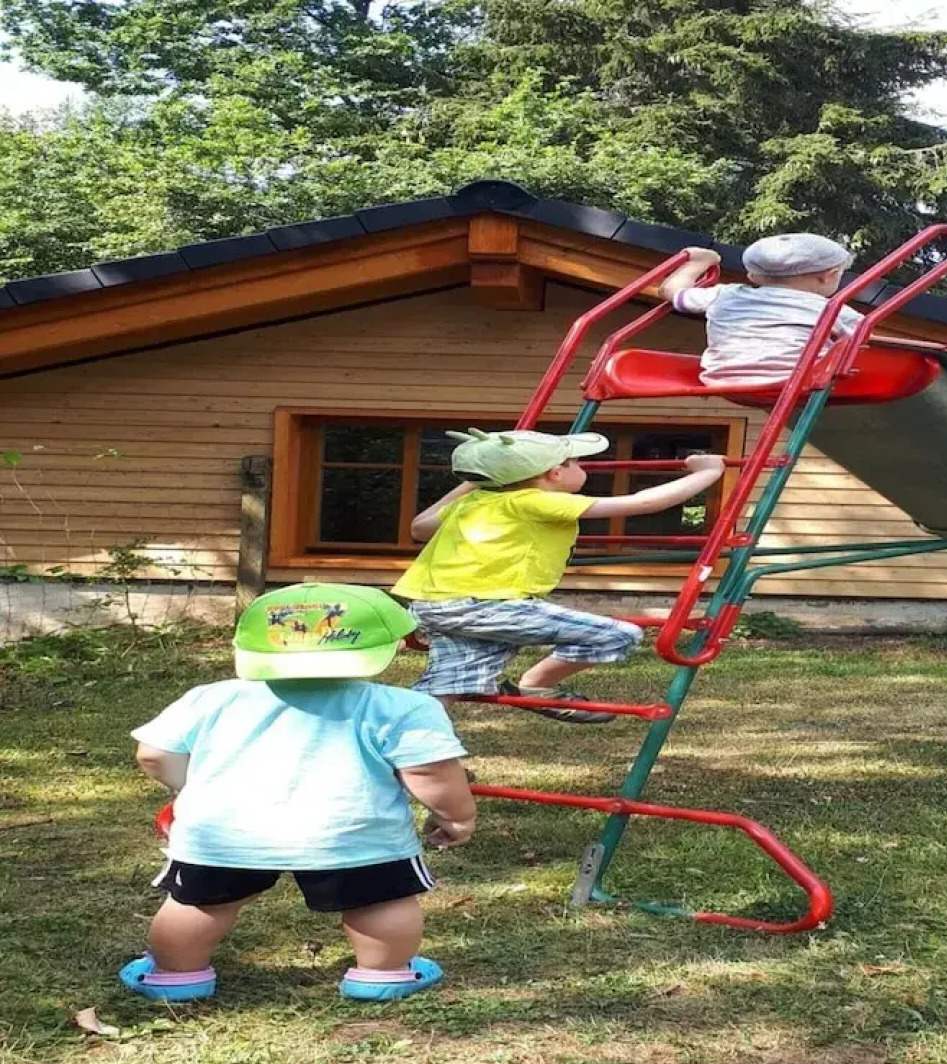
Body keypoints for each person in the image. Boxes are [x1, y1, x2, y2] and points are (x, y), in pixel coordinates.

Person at [123, 582, 473, 1004]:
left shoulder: (211, 699)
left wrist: (188, 787)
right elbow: (430, 770)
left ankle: (176, 976)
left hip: (224, 832)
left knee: (198, 903)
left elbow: (154, 755)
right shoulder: (403, 707)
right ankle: (383, 974)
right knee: (380, 901)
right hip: (355, 834)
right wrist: (456, 817)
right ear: (393, 645)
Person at [393, 428, 726, 722]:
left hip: (432, 606)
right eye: (577, 463)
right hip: (486, 606)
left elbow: (419, 528)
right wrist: (707, 473)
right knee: (618, 635)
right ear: (554, 473)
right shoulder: (537, 501)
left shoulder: (474, 502)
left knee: (447, 687)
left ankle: (409, 753)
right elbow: (641, 503)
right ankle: (537, 685)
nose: (582, 469)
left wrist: (477, 482)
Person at [658, 233, 864, 385]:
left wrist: (701, 261)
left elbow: (671, 291)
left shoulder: (724, 295)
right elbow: (866, 341)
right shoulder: (835, 310)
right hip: (796, 383)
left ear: (752, 277)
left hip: (722, 380)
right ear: (828, 275)